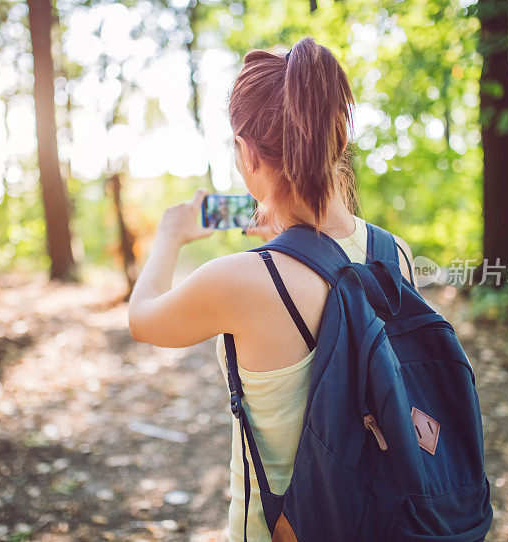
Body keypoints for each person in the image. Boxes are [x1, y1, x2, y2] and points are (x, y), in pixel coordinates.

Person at [128, 36, 416, 542]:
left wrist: (169, 235)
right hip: (386, 520)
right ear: (339, 141)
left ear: (246, 153)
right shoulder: (396, 256)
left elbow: (143, 319)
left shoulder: (239, 280)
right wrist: (290, 245)